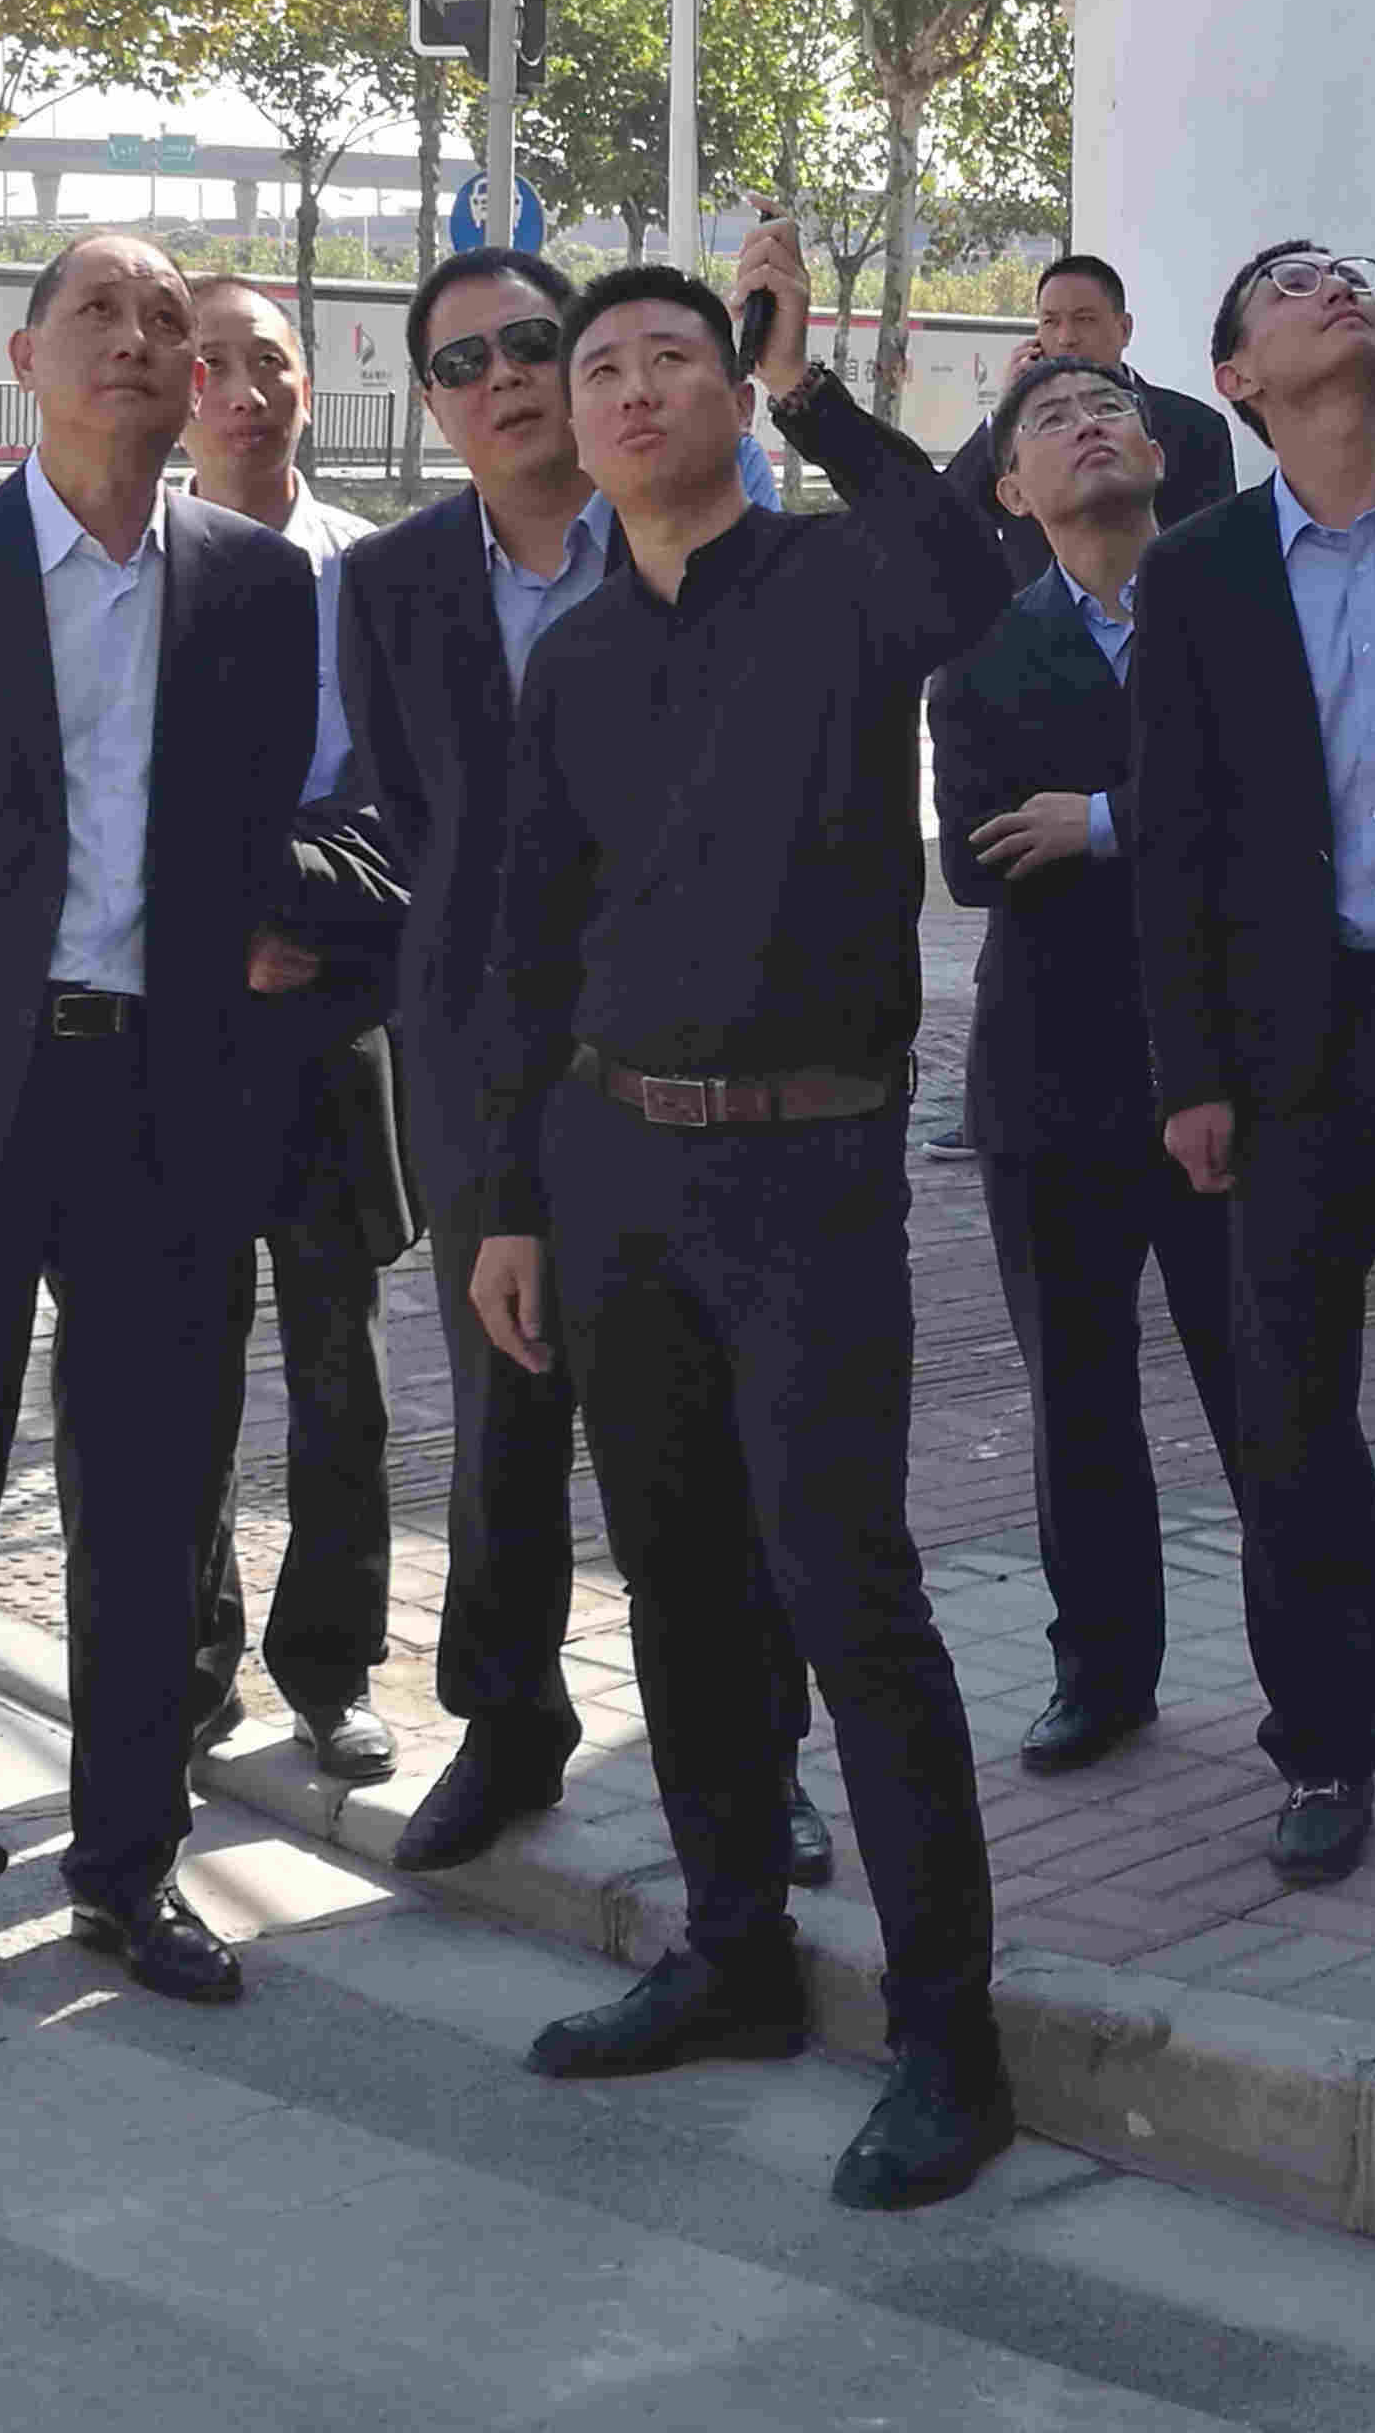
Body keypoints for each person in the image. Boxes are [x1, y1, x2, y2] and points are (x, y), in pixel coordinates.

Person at [464, 224, 1018, 2210]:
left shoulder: (840, 580)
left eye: (670, 359)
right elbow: (529, 942)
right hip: (615, 1170)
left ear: (728, 389)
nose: (629, 390)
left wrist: (815, 392)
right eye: (597, 369)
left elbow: (976, 574)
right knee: (680, 1582)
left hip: (809, 1171)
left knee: (845, 1590)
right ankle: (732, 1956)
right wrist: (509, 1200)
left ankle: (948, 2038)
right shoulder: (575, 656)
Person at [0, 230, 320, 2023]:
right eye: (97, 310)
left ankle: (126, 1865)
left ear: (200, 379)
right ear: (21, 358)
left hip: (167, 1099)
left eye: (169, 321)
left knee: (152, 1506)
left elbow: (266, 828)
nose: (138, 340)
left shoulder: (257, 587)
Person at [336, 245, 834, 1887]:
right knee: (503, 1409)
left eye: (530, 344)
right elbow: (396, 824)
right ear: (431, 404)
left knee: (719, 1430)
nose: (502, 380)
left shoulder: (696, 546)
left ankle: (762, 1752)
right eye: (460, 363)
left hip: (686, 1053)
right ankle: (505, 1723)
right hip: (482, 1055)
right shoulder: (393, 584)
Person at [1125, 237, 1375, 1887]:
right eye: (1288, 287)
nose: (1334, 289)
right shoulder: (1199, 570)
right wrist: (1190, 1073)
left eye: (1347, 275)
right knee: (1288, 1408)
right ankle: (1325, 1736)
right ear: (1236, 378)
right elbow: (1175, 835)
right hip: (1293, 1041)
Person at [930, 354, 1245, 1772]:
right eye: (1048, 420)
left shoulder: (1239, 608)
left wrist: (1102, 819)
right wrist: (1159, 816)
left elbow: (1277, 809)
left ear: (1159, 453)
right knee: (1080, 1398)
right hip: (1051, 1081)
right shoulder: (984, 653)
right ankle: (1102, 1674)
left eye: (1108, 407)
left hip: (1224, 1066)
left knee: (1268, 1391)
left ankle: (1362, 1673)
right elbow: (976, 860)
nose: (1085, 428)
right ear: (1012, 490)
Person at [154, 274, 414, 1779]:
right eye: (211, 365)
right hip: (176, 1030)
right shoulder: (127, 570)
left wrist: (295, 918)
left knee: (340, 1369)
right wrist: (218, 927)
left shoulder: (375, 579)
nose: (244, 394)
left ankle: (333, 1664)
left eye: (271, 362)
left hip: (330, 1017)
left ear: (315, 381)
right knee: (180, 1361)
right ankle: (191, 1673)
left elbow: (410, 806)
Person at [939, 251, 1237, 584]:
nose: (1066, 338)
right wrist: (1006, 410)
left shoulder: (1196, 427)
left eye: (1084, 320)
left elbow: (1215, 548)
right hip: (1042, 611)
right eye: (1051, 322)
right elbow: (948, 515)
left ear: (1124, 329)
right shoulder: (1020, 429)